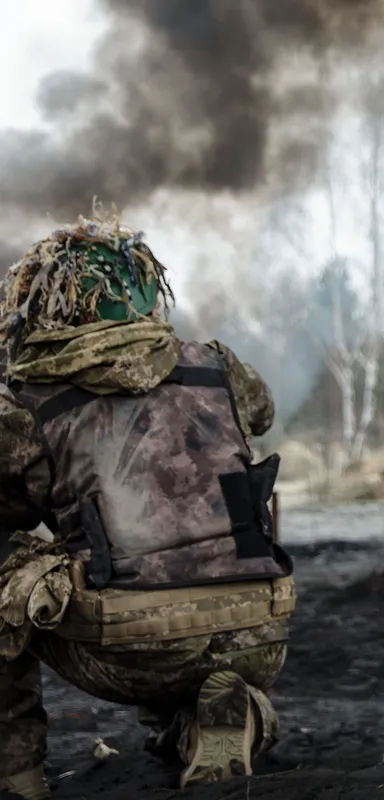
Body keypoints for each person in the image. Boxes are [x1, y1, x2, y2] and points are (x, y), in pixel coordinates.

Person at [0, 211, 294, 797]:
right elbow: (259, 412)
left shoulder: (29, 400)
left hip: (132, 641)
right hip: (260, 624)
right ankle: (221, 719)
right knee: (187, 625)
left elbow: (13, 506)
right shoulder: (217, 364)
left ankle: (17, 775)